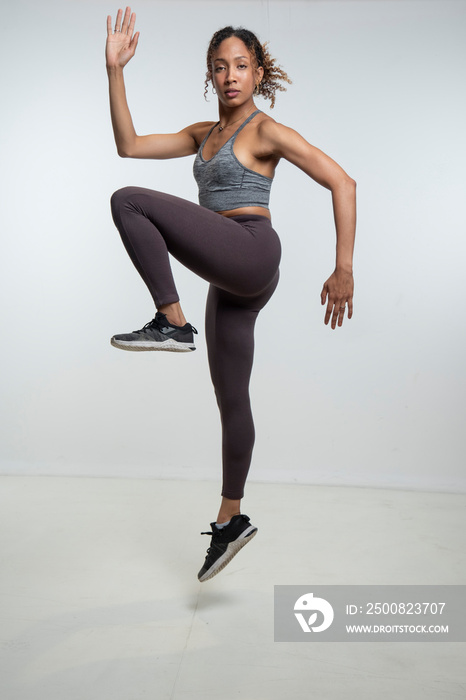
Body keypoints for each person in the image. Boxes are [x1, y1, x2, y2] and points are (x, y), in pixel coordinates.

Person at [105, 7, 356, 582]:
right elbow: (129, 144)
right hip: (231, 278)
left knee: (129, 200)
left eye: (241, 65)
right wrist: (116, 72)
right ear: (210, 76)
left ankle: (172, 320)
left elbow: (342, 181)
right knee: (231, 396)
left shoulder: (265, 130)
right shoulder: (202, 134)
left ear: (259, 72)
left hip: (251, 250)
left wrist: (343, 267)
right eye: (220, 67)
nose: (230, 76)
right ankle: (230, 517)